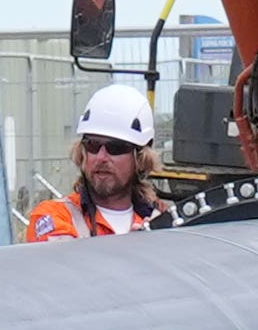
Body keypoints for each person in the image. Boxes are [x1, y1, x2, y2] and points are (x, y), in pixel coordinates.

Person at [24, 83, 171, 238]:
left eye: (116, 148)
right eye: (93, 145)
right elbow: (64, 261)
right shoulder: (53, 216)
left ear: (141, 157)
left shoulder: (162, 221)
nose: (101, 157)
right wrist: (132, 248)